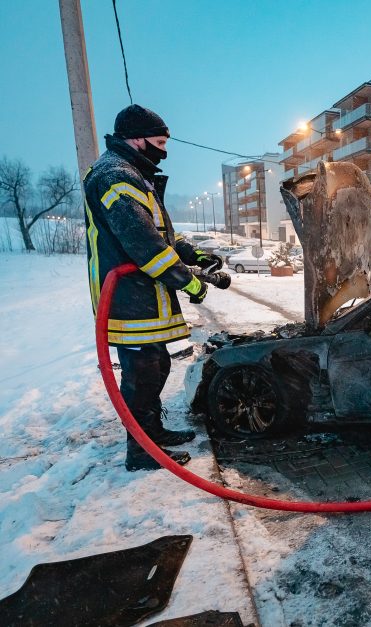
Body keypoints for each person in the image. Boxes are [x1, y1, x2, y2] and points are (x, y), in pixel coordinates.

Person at [84, 104, 230, 472]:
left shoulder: (134, 175)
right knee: (143, 372)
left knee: (156, 365)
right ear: (136, 138)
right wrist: (191, 281)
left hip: (140, 297)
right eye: (160, 141)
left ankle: (153, 433)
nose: (165, 150)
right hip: (127, 299)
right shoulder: (115, 177)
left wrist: (193, 253)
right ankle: (142, 450)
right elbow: (145, 246)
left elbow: (161, 236)